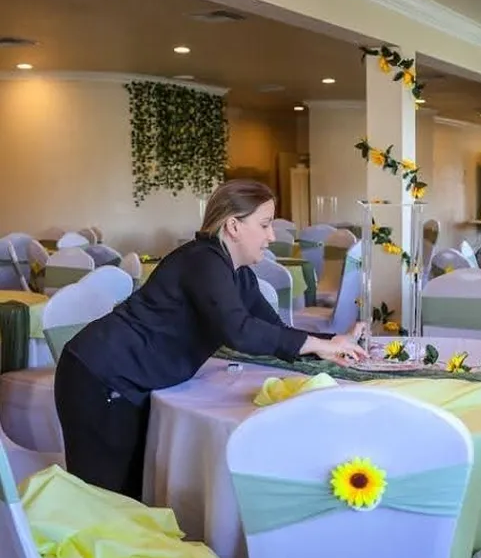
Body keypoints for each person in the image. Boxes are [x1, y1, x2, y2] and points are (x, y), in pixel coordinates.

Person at [54, 179, 366, 500]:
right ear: (233, 226)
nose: (272, 236)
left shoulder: (237, 272)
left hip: (126, 376)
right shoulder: (203, 260)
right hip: (99, 374)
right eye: (264, 225)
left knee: (132, 494)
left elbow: (272, 329)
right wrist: (321, 345)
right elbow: (239, 330)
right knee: (105, 498)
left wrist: (335, 343)